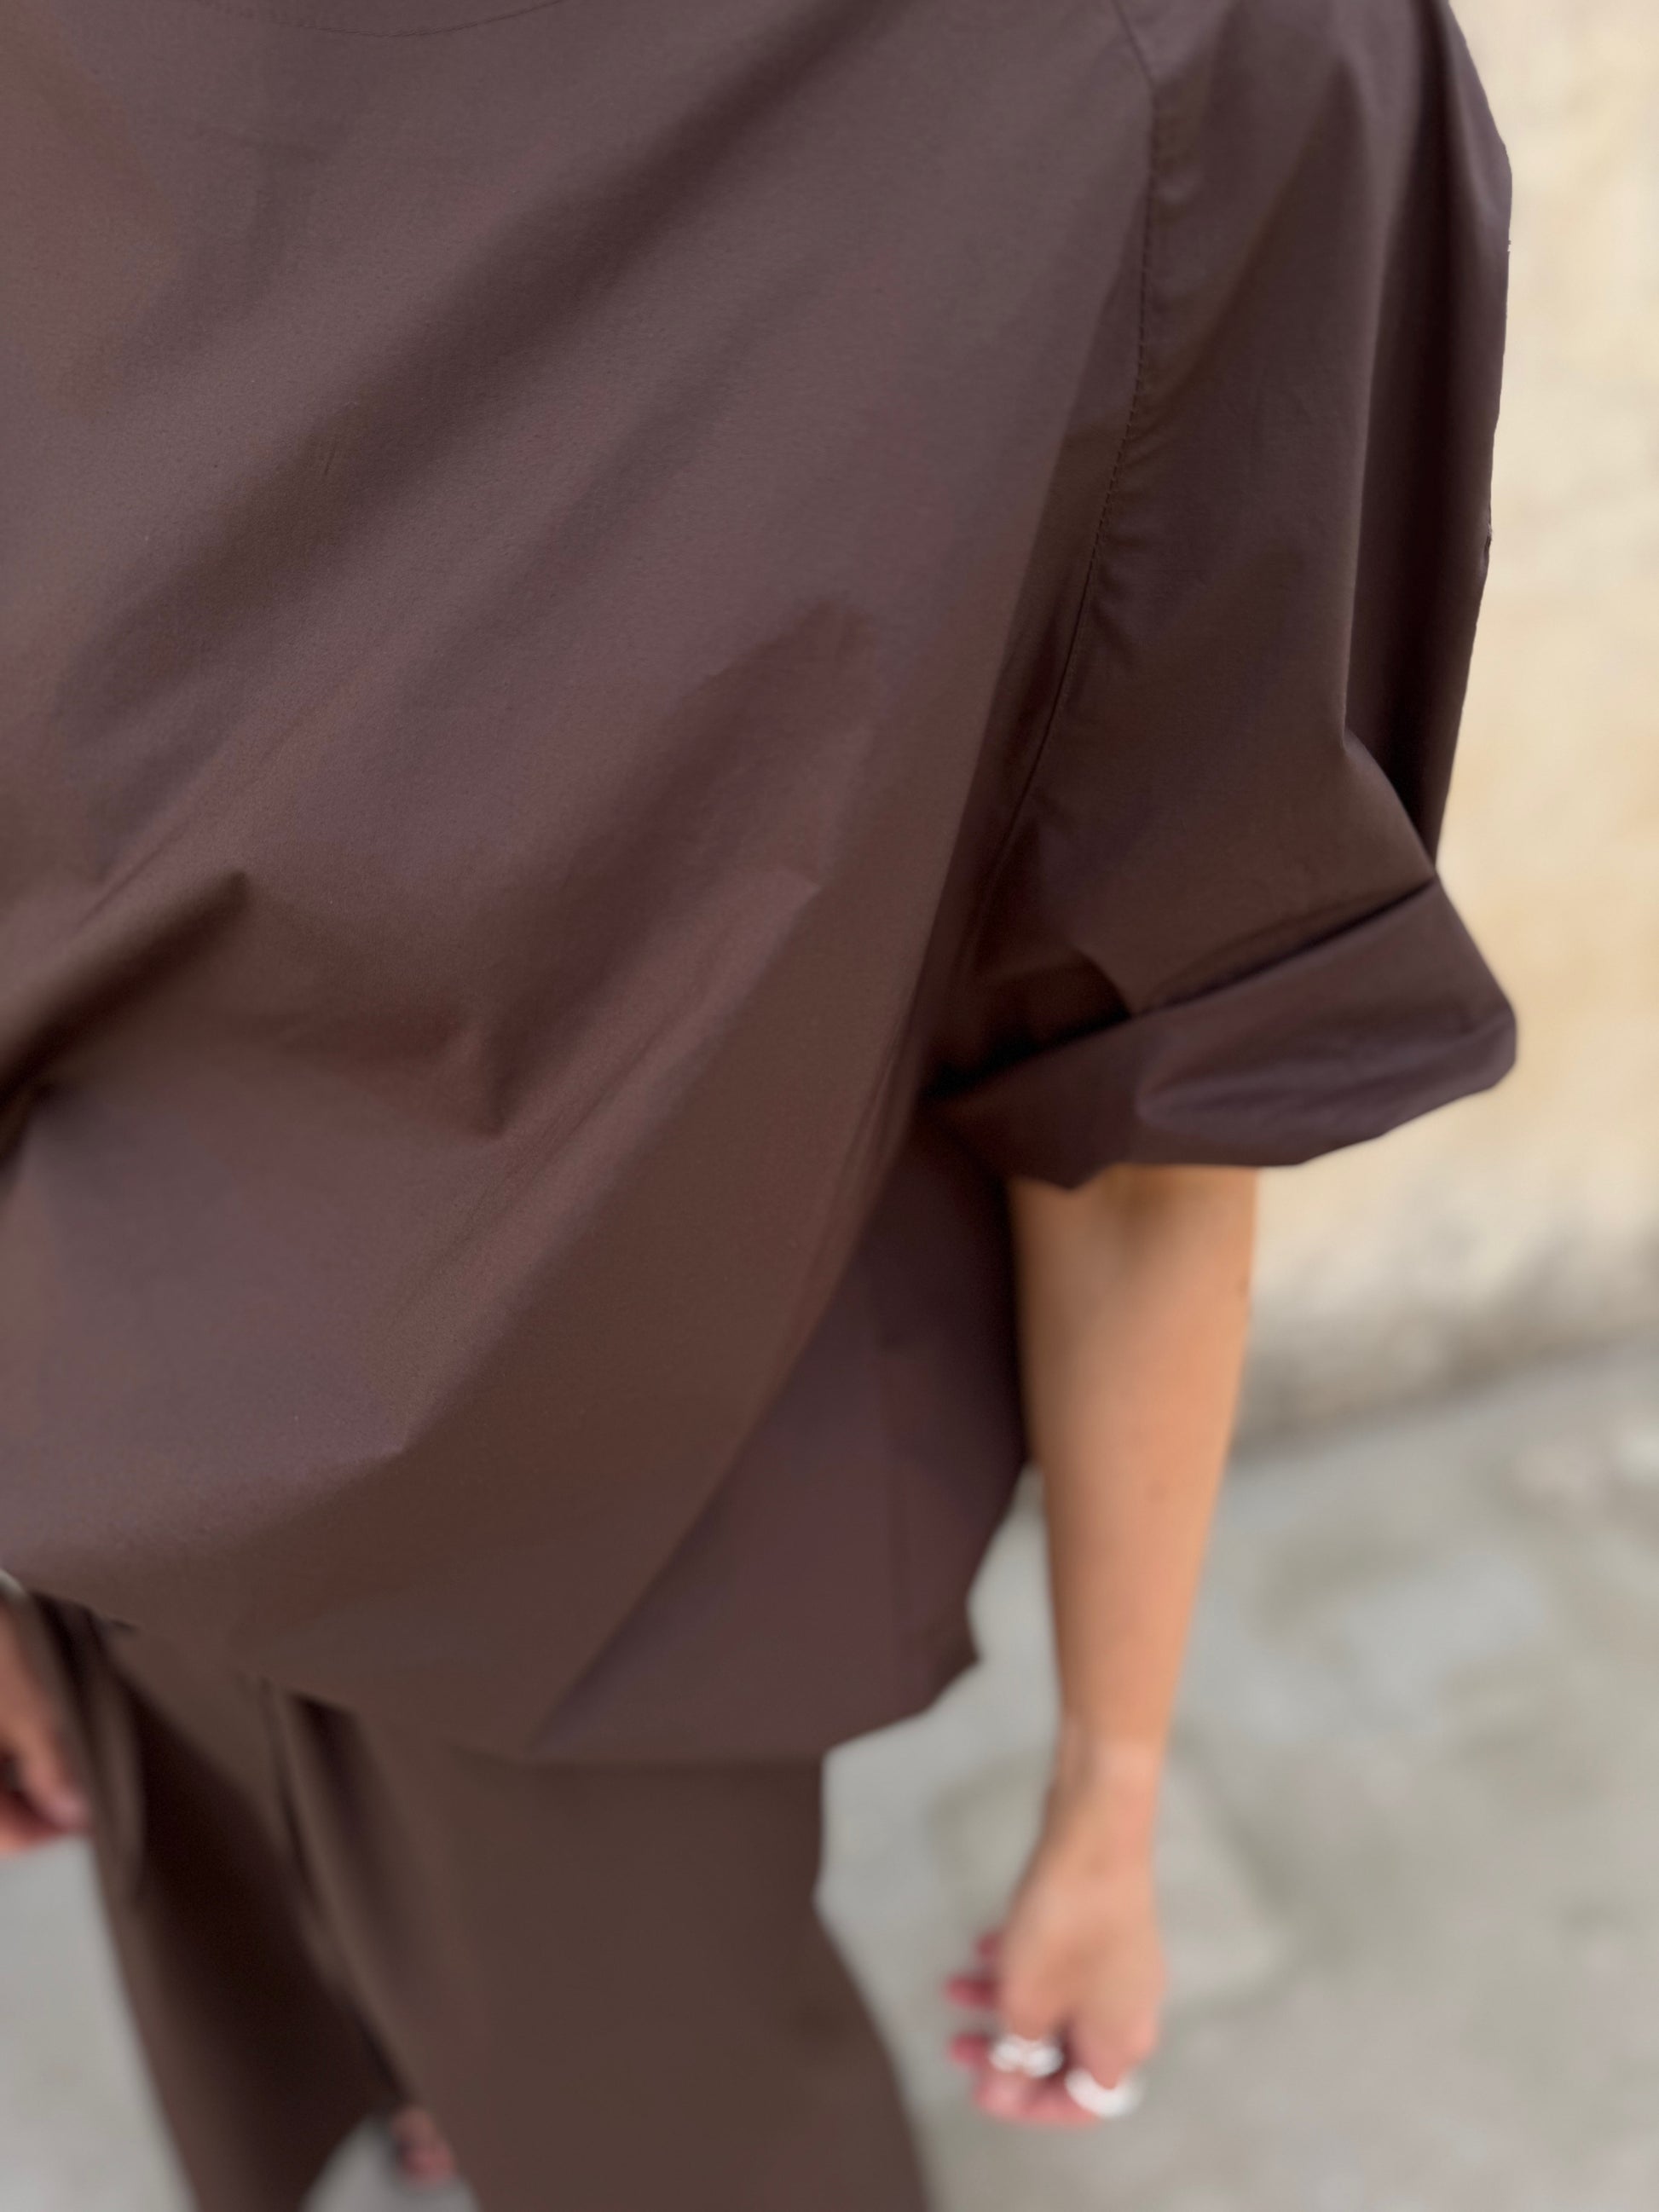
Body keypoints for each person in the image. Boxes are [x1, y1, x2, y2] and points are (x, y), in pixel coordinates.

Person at [0, 0, 1513, 2203]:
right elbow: (1153, 1062)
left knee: (640, 2101)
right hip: (132, 1448)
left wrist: (1111, 1796)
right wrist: (1104, 1810)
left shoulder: (1195, 64)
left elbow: (1161, 1039)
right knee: (324, 1987)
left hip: (570, 1540)